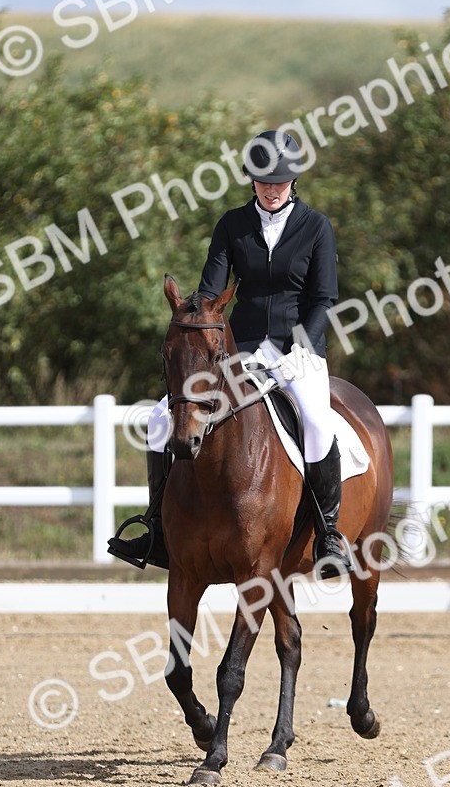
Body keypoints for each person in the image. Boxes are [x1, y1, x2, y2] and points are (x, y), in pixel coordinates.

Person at [108, 128, 353, 579]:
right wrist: (194, 320)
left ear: (293, 181)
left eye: (279, 181)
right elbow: (209, 290)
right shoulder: (231, 225)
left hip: (298, 351)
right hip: (239, 351)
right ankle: (156, 528)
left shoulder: (316, 227)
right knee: (163, 418)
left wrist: (304, 344)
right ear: (252, 181)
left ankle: (329, 532)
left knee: (317, 421)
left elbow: (323, 298)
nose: (271, 189)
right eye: (263, 181)